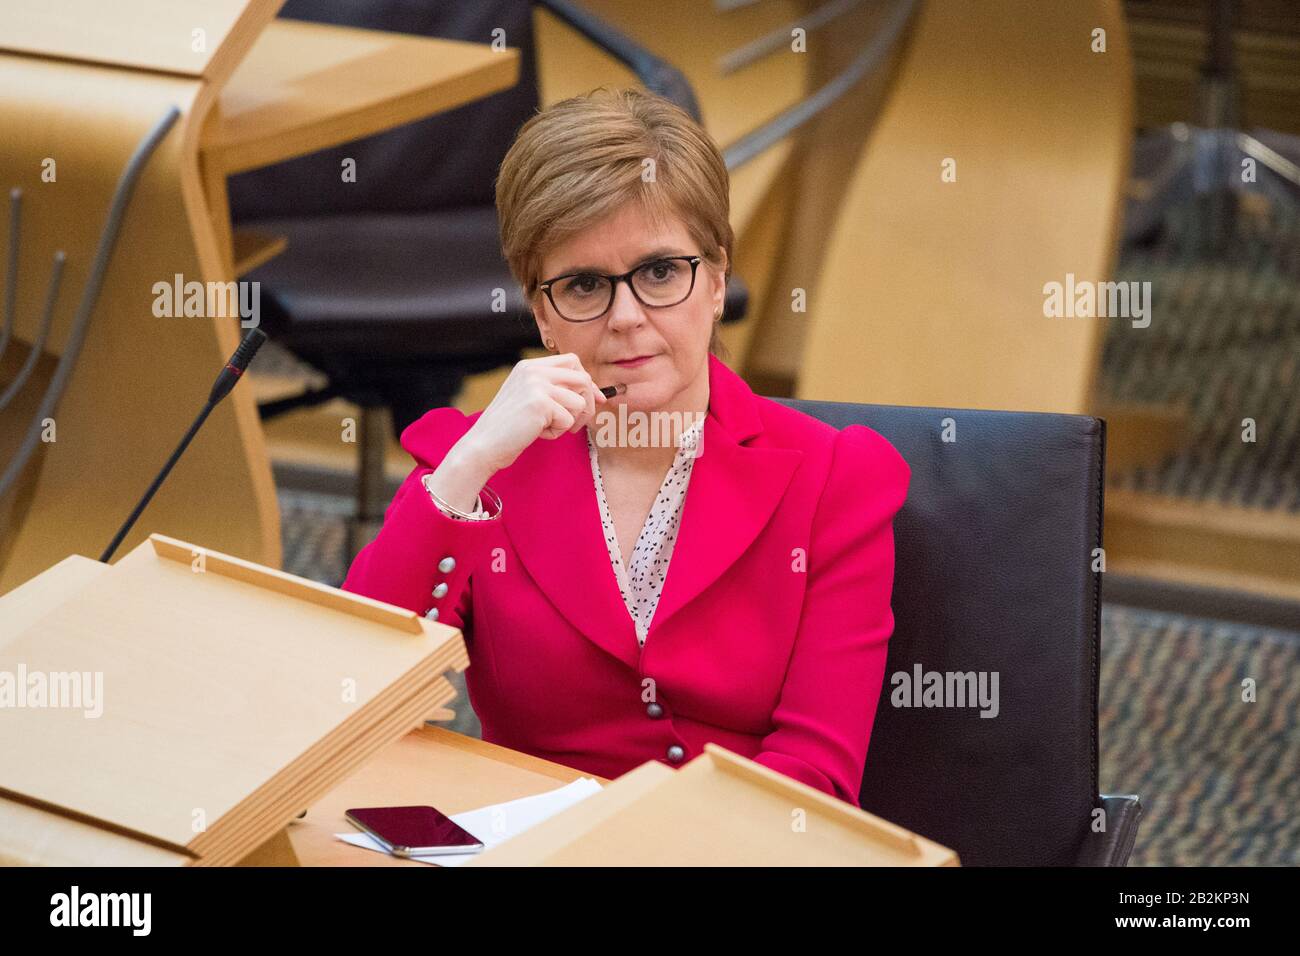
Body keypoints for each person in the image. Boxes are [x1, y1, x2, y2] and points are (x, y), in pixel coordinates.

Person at [341, 87, 910, 805]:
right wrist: (467, 470)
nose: (627, 318)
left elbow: (814, 775)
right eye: (583, 285)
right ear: (541, 313)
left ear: (718, 278)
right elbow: (350, 697)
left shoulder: (837, 479)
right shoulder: (477, 466)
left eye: (661, 272)